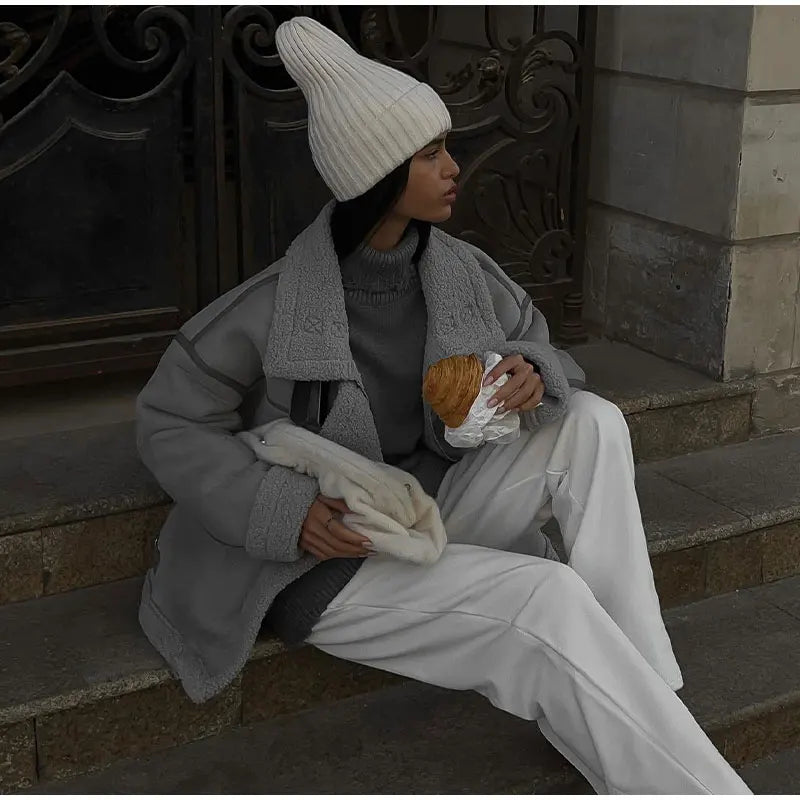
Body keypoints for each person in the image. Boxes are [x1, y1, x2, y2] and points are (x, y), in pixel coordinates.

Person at [135, 16, 751, 795]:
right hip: (326, 556)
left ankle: (641, 692)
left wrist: (530, 369)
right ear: (378, 174)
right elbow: (167, 420)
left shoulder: (465, 272)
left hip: (431, 506)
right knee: (545, 594)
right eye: (431, 154)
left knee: (593, 420)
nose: (454, 167)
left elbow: (539, 345)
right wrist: (278, 508)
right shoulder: (270, 307)